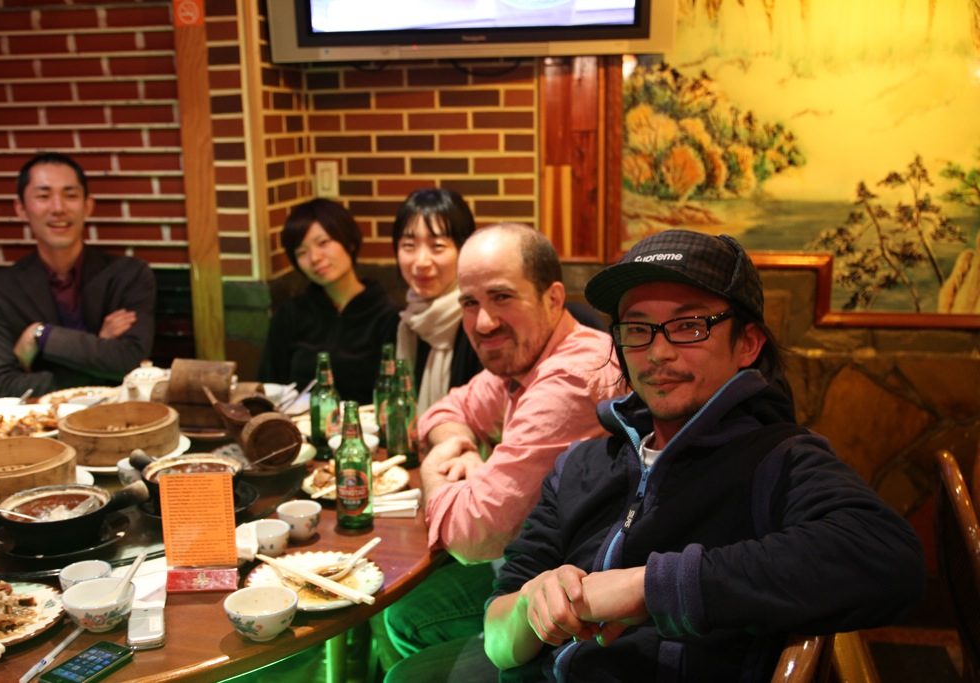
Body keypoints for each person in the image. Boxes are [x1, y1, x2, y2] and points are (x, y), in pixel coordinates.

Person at [476, 230, 925, 681]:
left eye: (689, 326)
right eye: (637, 329)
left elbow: (887, 557)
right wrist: (532, 607)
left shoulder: (776, 459)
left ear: (748, 344)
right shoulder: (579, 465)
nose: (658, 352)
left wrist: (647, 587)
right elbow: (497, 637)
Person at [383, 223, 627, 667]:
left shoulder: (570, 379)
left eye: (502, 297)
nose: (483, 322)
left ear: (553, 299)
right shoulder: (526, 356)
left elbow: (473, 535)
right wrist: (460, 445)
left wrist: (436, 470)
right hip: (530, 564)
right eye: (469, 303)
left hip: (577, 597)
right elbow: (445, 410)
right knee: (395, 605)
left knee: (402, 619)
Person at [0, 152, 155, 397]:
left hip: (118, 414)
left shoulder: (129, 275)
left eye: (70, 195)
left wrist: (42, 335)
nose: (58, 208)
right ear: (21, 209)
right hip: (40, 419)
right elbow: (1, 384)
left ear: (87, 206)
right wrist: (98, 350)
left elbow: (129, 362)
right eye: (43, 196)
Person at [258, 197, 399, 405]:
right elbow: (268, 385)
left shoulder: (387, 316)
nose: (314, 258)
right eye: (301, 252)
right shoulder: (290, 315)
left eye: (323, 243)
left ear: (349, 242)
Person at [392, 188, 482, 411]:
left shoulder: (480, 324)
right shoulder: (407, 323)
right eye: (409, 246)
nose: (421, 261)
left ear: (464, 249)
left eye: (438, 246)